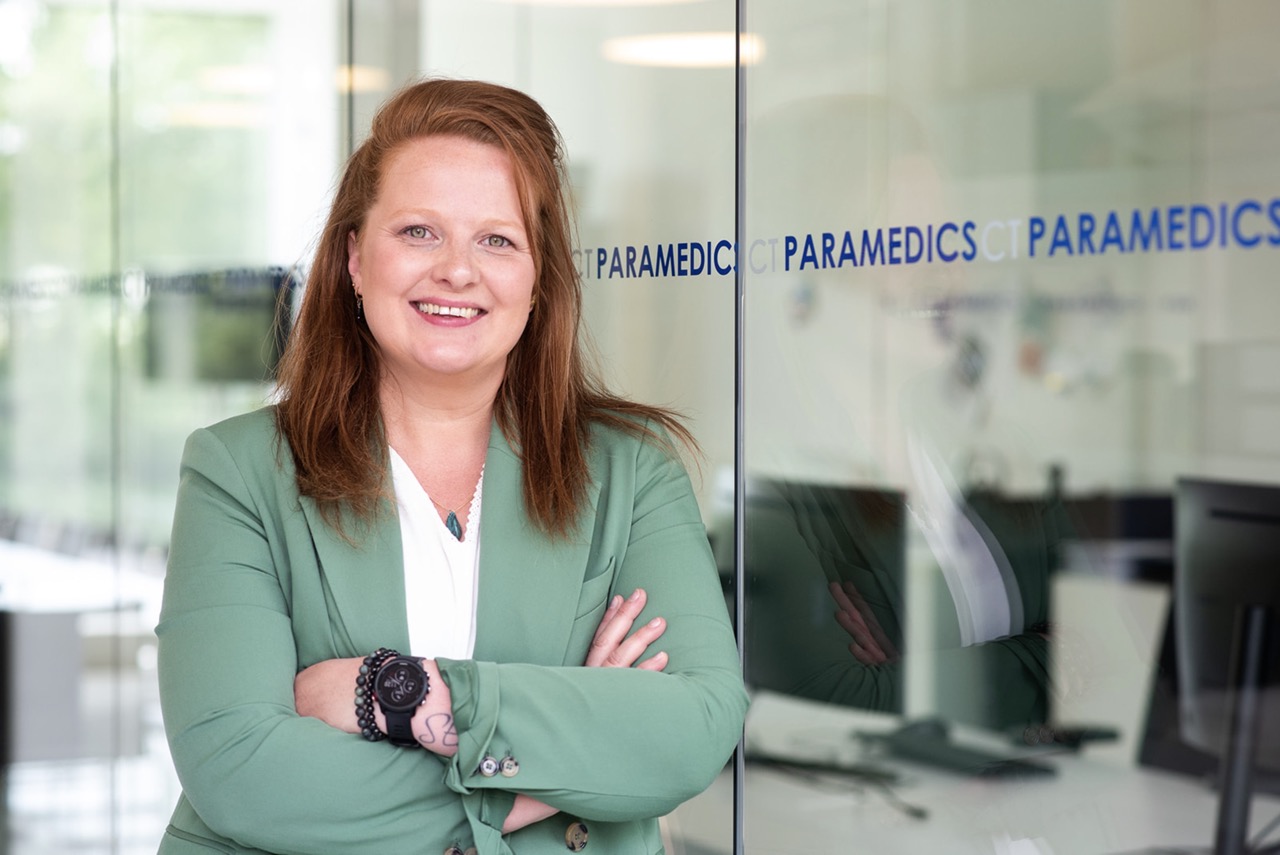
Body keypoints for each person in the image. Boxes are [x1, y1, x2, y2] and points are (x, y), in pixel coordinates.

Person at [155, 77, 747, 855]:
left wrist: (395, 695)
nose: (457, 271)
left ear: (539, 278)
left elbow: (693, 729)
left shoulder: (633, 474)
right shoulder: (238, 471)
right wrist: (567, 755)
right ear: (355, 257)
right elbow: (239, 769)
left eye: (497, 240)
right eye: (419, 232)